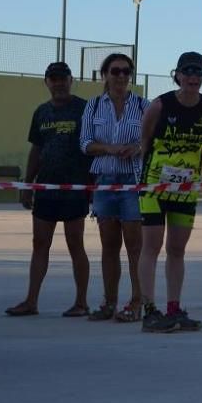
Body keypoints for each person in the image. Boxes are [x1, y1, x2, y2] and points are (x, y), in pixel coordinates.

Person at [138, 51, 202, 333]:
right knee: (151, 247)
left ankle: (174, 307)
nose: (193, 77)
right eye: (188, 72)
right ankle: (148, 309)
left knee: (177, 249)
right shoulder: (160, 105)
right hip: (154, 187)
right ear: (178, 75)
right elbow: (145, 141)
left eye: (199, 72)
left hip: (185, 190)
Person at [6, 63, 93, 318]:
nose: (58, 83)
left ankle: (81, 302)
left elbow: (91, 146)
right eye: (53, 79)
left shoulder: (84, 108)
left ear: (71, 80)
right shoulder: (41, 112)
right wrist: (28, 184)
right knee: (40, 243)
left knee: (75, 243)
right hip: (45, 188)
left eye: (63, 78)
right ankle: (31, 301)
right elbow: (36, 149)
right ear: (47, 82)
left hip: (75, 188)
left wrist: (92, 185)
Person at [80, 54, 149, 322]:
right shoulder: (94, 106)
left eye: (126, 72)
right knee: (109, 245)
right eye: (115, 71)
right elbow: (85, 142)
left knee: (135, 246)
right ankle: (109, 302)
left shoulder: (144, 106)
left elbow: (153, 140)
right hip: (105, 182)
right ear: (105, 75)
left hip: (133, 181)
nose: (121, 77)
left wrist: (138, 148)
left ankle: (137, 302)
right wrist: (109, 148)